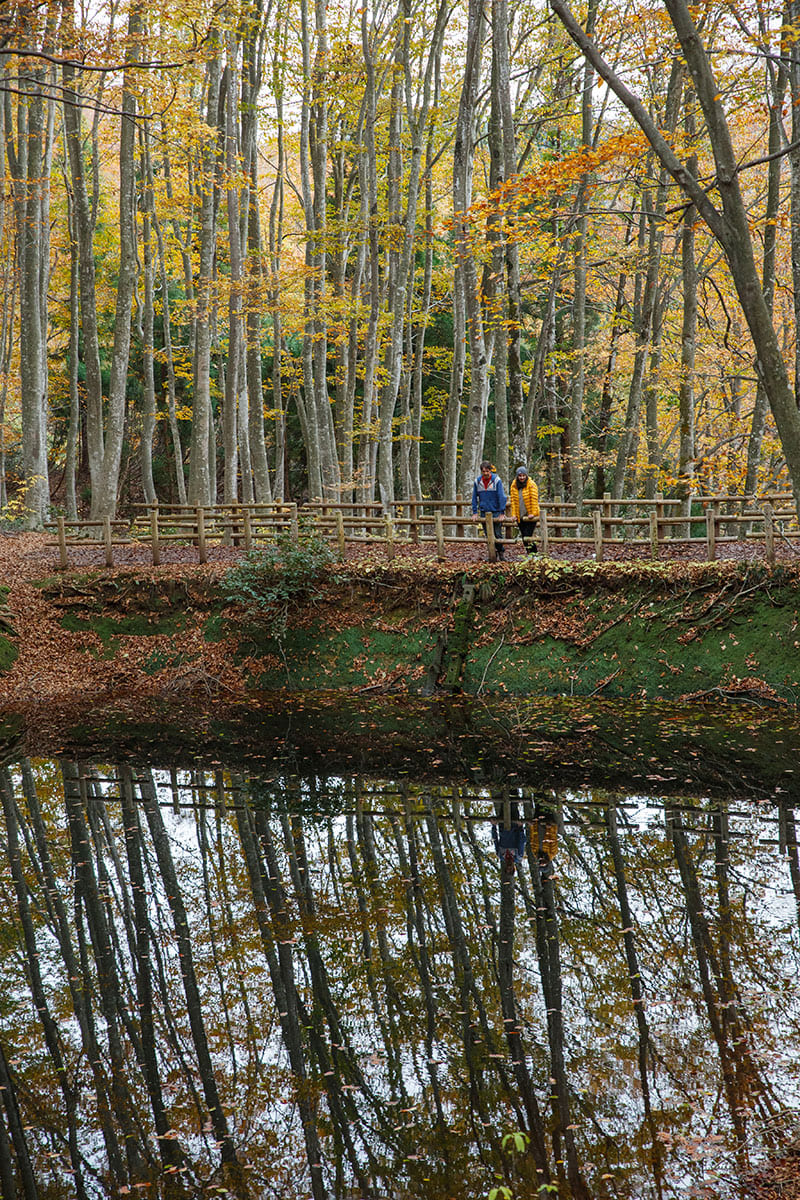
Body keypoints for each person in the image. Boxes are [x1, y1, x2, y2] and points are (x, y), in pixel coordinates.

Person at [471, 460, 507, 560]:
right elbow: (474, 497)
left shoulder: (496, 480)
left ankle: (501, 553)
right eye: (484, 471)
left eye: (487, 471)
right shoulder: (477, 482)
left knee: (497, 534)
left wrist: (502, 512)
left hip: (495, 511)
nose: (486, 473)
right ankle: (492, 554)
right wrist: (474, 512)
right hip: (484, 511)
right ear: (481, 472)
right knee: (488, 535)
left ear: (490, 471)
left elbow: (501, 496)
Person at [509, 465, 539, 554]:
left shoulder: (531, 484)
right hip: (520, 515)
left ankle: (535, 554)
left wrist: (533, 513)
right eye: (520, 476)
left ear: (526, 475)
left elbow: (534, 499)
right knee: (523, 537)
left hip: (530, 515)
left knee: (528, 535)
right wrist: (514, 514)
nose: (522, 477)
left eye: (523, 475)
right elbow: (513, 502)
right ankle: (529, 553)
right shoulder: (514, 485)